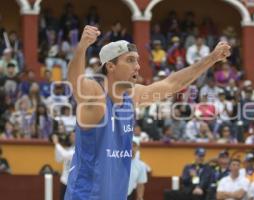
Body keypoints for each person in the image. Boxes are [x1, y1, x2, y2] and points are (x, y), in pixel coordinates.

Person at [65, 25, 231, 200]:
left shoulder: (132, 97)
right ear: (111, 66)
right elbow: (76, 83)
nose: (137, 66)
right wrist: (82, 47)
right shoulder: (96, 96)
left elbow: (172, 84)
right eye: (130, 60)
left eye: (137, 60)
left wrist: (212, 59)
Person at [52, 133, 75, 200]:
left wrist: (56, 143)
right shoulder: (69, 148)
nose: (72, 137)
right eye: (71, 136)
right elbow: (58, 159)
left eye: (74, 136)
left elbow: (65, 155)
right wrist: (57, 146)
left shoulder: (79, 149)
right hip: (64, 180)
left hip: (73, 182)